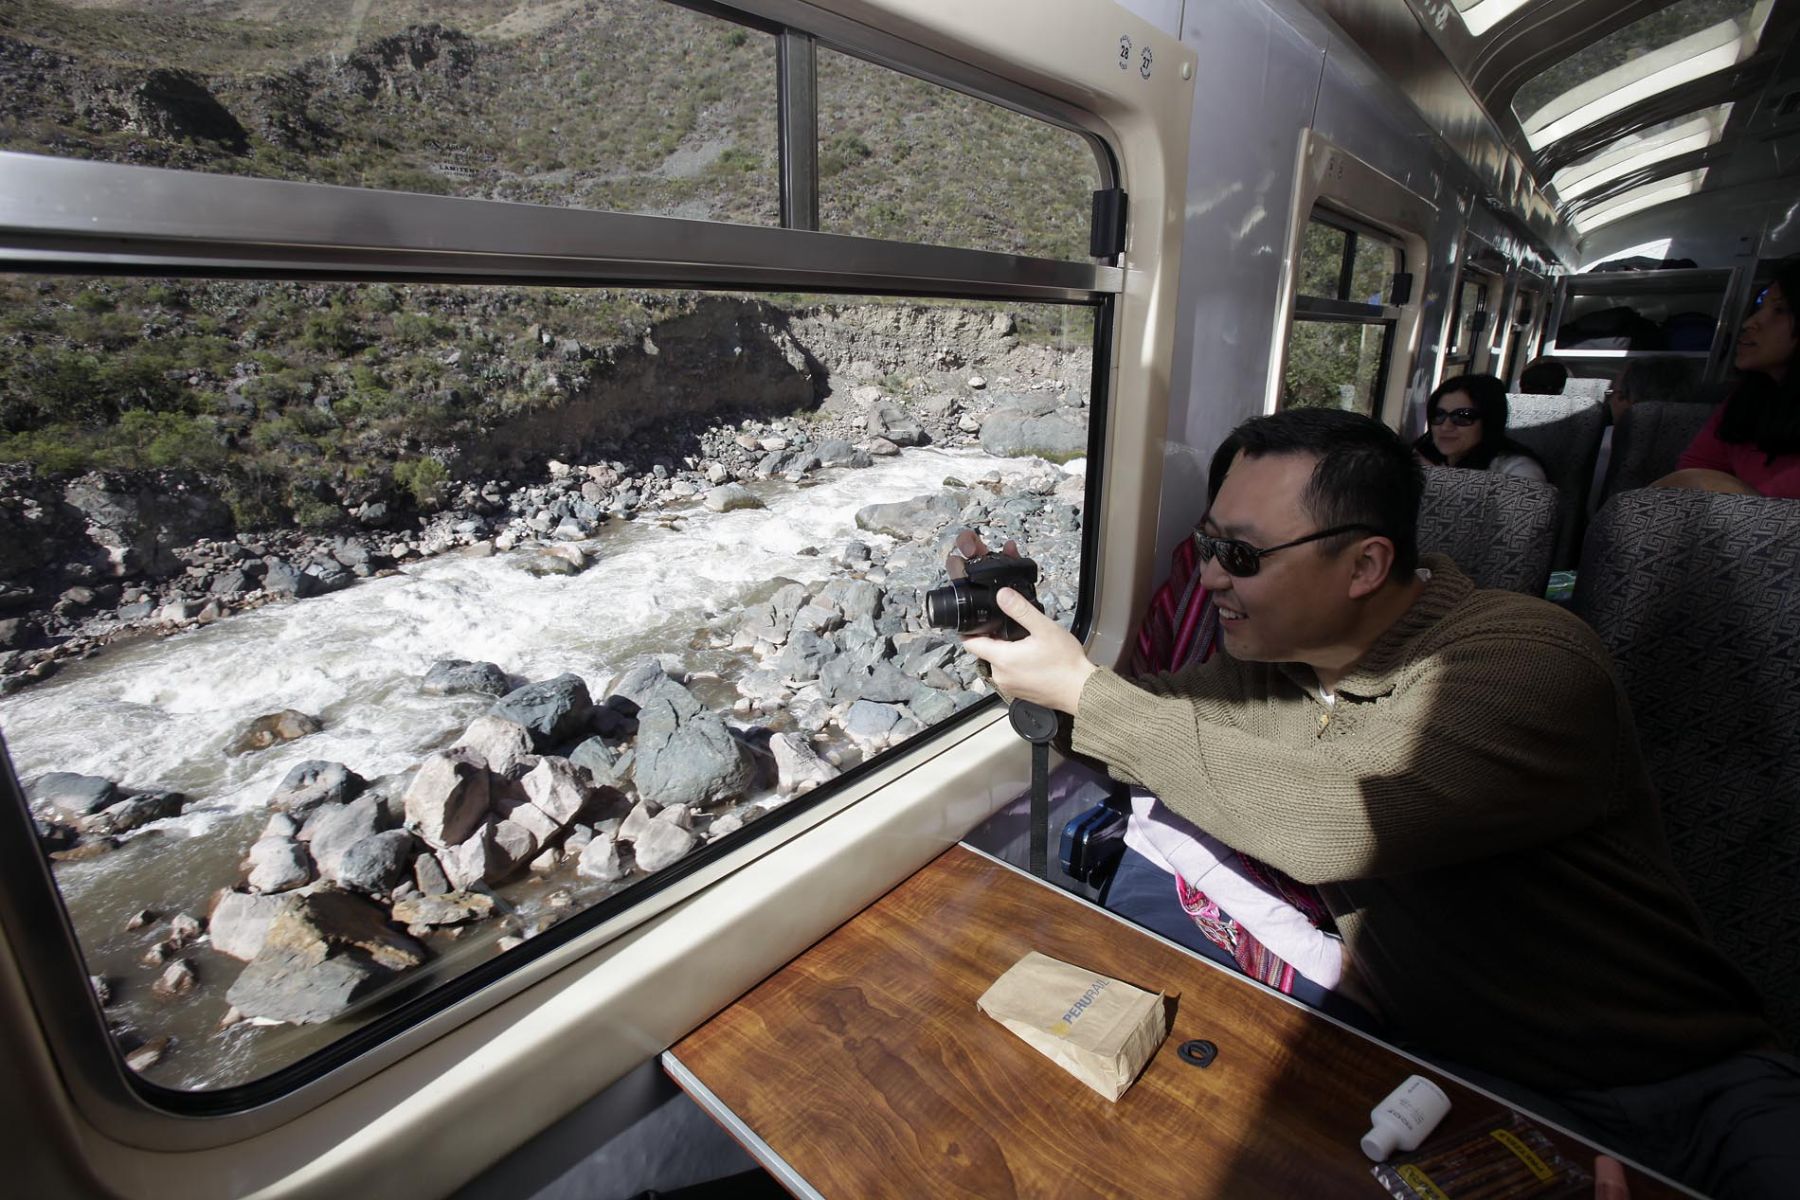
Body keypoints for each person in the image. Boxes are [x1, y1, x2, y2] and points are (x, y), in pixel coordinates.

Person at [961, 408, 1798, 1198]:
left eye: (1242, 557)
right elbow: (1146, 746)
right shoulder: (1269, 665)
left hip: (1683, 1085)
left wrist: (1089, 693)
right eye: (1208, 544)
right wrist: (1023, 664)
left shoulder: (1530, 660)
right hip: (1459, 1080)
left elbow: (1340, 823)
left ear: (1365, 564)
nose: (1210, 575)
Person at [1656, 261, 1800, 499]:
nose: (1748, 324)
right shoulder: (1747, 400)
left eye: (1780, 310)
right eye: (1759, 308)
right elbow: (1695, 468)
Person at [1412, 373, 1548, 483]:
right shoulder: (1416, 459)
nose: (1446, 426)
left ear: (1488, 422)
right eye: (1439, 415)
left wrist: (1438, 478)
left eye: (1463, 416)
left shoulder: (1517, 471)